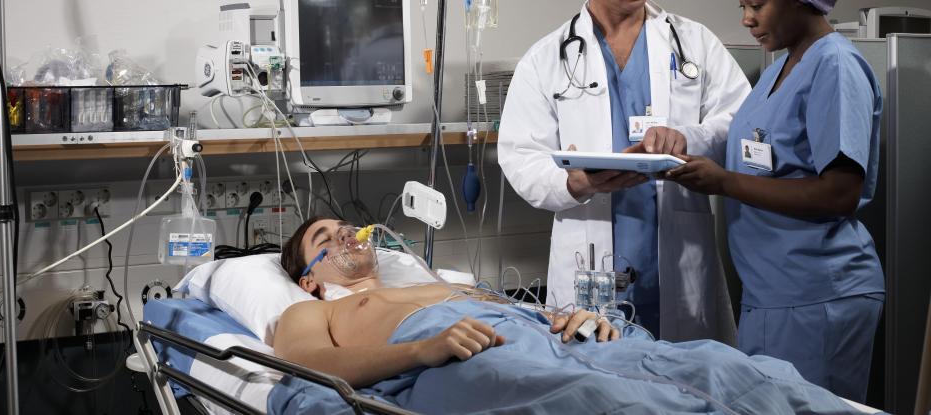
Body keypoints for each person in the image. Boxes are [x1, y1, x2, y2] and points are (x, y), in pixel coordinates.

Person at [267, 217, 860, 414]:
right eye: (326, 235)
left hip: (539, 334)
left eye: (347, 225)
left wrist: (582, 318)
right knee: (597, 398)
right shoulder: (310, 310)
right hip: (450, 359)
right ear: (309, 274)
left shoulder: (446, 282)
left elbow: (533, 314)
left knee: (717, 363)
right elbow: (310, 365)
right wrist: (421, 350)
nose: (345, 233)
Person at [497, 0, 750, 342]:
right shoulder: (547, 59)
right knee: (595, 393)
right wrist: (574, 182)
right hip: (589, 256)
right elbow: (520, 156)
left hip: (678, 254)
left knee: (686, 392)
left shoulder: (694, 42)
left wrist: (689, 136)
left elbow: (739, 120)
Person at [663, 0, 884, 402]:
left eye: (756, 4)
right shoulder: (779, 69)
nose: (745, 18)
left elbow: (838, 193)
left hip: (818, 292)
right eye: (741, 4)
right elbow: (764, 158)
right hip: (770, 293)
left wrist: (724, 183)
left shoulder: (835, 65)